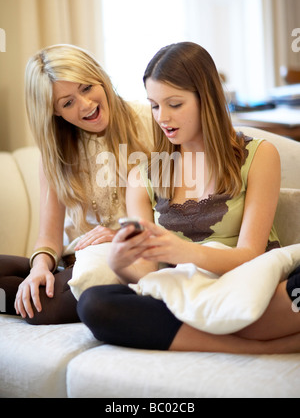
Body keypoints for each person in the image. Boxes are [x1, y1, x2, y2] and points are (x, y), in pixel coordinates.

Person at [77, 42, 300, 354]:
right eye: (154, 105)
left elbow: (250, 254)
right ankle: (252, 345)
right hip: (189, 298)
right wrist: (119, 261)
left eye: (174, 104)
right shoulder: (143, 177)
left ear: (205, 99)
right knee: (95, 304)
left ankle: (237, 330)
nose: (163, 117)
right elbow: (146, 274)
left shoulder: (259, 155)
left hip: (254, 289)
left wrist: (184, 251)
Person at [0, 44, 152, 325]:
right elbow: (49, 238)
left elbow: (179, 212)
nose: (85, 105)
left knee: (44, 308)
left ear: (100, 77)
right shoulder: (55, 154)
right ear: (54, 112)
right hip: (72, 261)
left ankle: (49, 292)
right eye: (67, 102)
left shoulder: (150, 122)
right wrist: (38, 269)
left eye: (86, 87)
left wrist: (120, 233)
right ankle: (48, 284)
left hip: (123, 256)